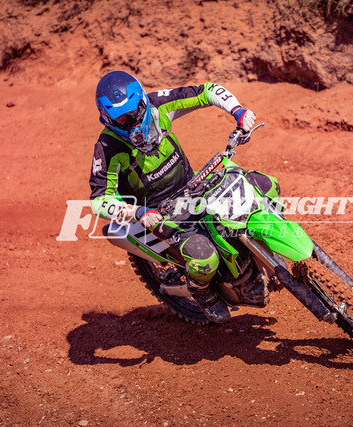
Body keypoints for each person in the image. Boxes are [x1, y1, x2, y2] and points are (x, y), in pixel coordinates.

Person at [89, 70, 257, 323]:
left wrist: (237, 111)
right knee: (205, 258)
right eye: (121, 118)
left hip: (194, 186)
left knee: (259, 187)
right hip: (159, 213)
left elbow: (207, 91)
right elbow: (99, 200)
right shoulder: (107, 148)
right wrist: (137, 212)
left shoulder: (159, 105)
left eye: (133, 113)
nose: (131, 122)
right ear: (107, 118)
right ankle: (203, 293)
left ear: (143, 101)